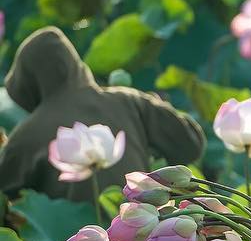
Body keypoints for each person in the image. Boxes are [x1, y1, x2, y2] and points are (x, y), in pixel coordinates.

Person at [0, 26, 205, 203]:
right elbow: (191, 145)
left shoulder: (25, 137)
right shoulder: (129, 101)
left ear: (29, 86)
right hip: (144, 234)